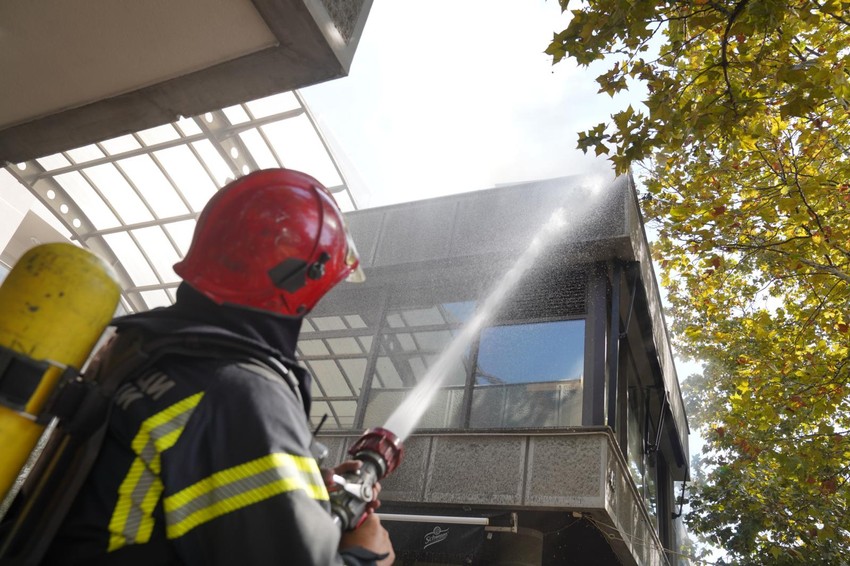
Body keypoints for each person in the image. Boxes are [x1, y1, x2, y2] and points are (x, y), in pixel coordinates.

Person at [44, 169, 395, 565]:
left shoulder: (145, 351)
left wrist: (301, 486)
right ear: (303, 281)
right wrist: (368, 557)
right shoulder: (238, 391)